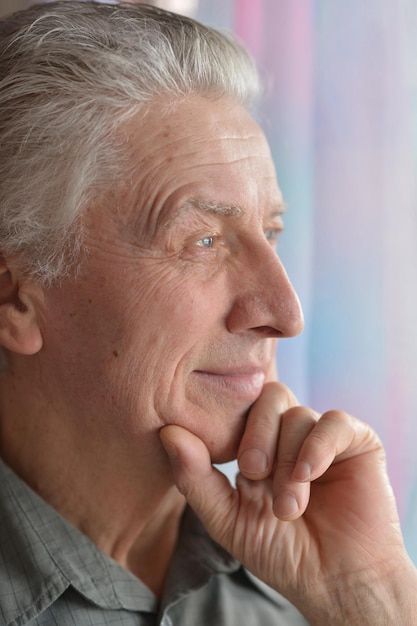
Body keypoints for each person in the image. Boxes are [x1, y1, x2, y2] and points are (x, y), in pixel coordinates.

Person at [0, 2, 415, 624]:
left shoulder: (302, 578)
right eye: (203, 241)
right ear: (15, 298)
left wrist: (373, 599)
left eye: (270, 233)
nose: (284, 313)